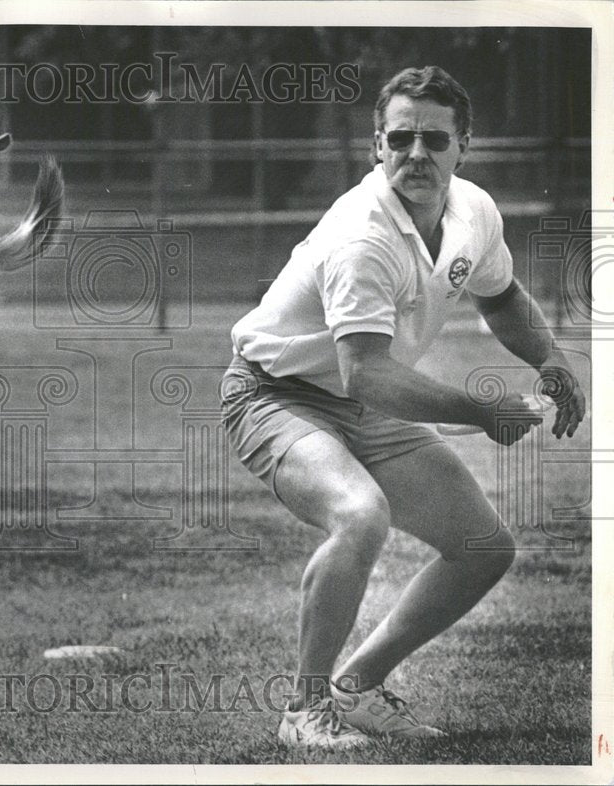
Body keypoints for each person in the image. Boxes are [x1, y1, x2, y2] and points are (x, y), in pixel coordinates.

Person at [222, 65, 586, 748]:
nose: (417, 153)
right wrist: (484, 412)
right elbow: (366, 374)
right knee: (360, 515)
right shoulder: (364, 235)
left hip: (359, 399)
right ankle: (303, 712)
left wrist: (553, 361)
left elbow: (501, 296)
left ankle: (354, 689)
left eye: (435, 139)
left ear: (463, 145)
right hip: (275, 394)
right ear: (376, 147)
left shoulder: (472, 210)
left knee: (483, 548)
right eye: (401, 137)